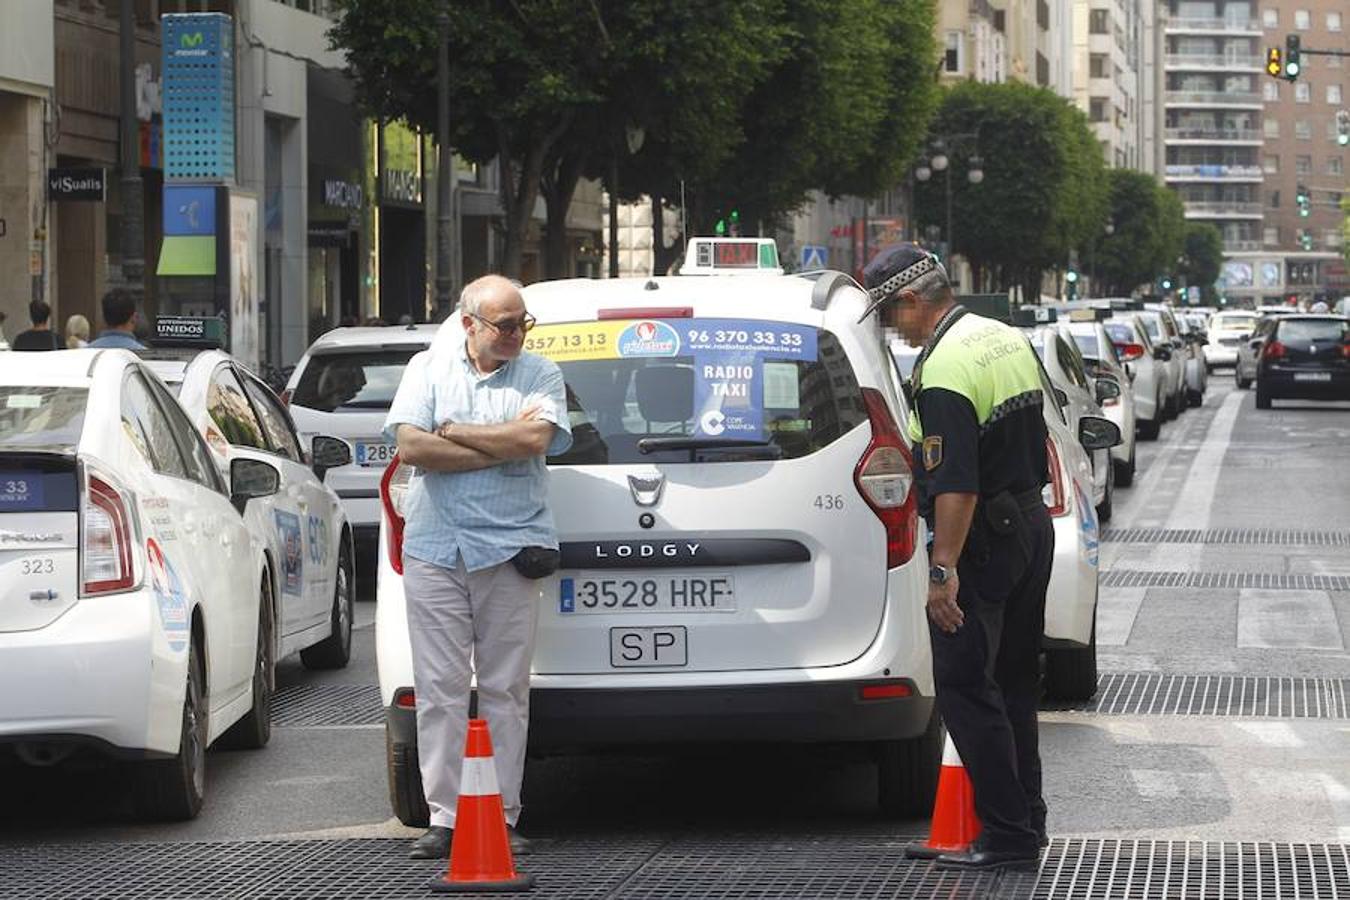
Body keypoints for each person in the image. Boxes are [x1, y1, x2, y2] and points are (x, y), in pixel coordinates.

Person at [861, 245, 1054, 871]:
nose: (893, 329)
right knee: (1017, 684)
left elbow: (957, 485)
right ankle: (1029, 819)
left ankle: (1006, 837)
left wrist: (942, 571)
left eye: (890, 315)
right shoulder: (1001, 336)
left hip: (983, 539)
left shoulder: (943, 370)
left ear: (913, 301)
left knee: (968, 687)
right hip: (1030, 523)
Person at [384, 274, 572, 861]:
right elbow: (412, 448)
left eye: (522, 323)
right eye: (505, 324)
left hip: (511, 551)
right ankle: (444, 817)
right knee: (439, 689)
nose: (518, 333)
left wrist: (459, 435)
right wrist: (498, 443)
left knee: (504, 690)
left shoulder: (540, 373)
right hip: (436, 549)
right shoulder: (427, 369)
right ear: (469, 324)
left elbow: (536, 439)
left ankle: (502, 812)